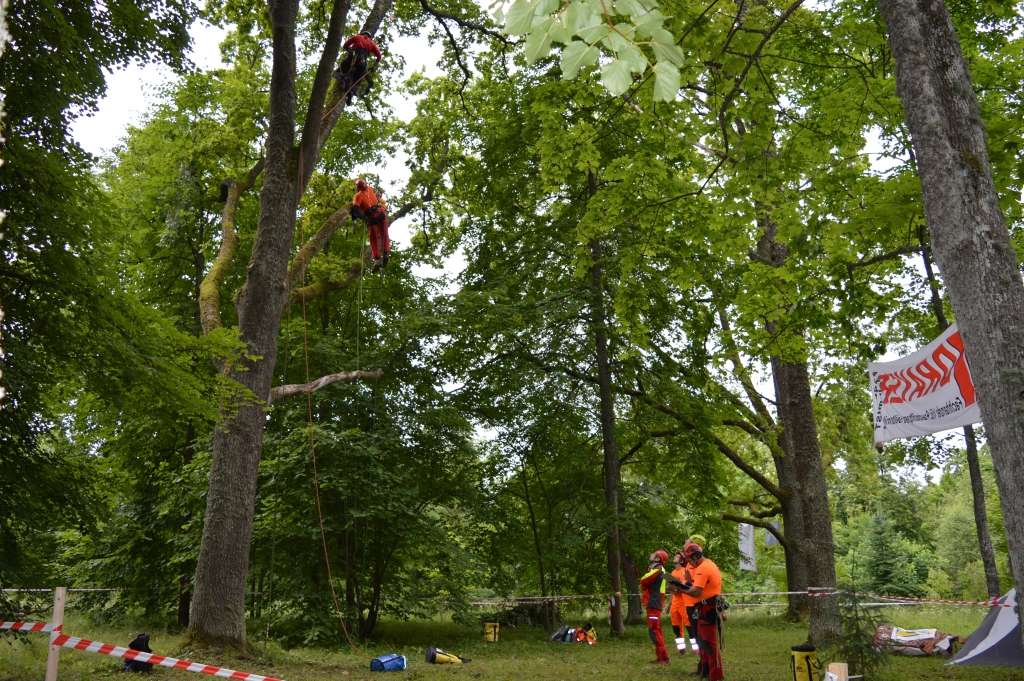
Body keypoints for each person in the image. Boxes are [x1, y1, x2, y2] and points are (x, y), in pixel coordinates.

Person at [674, 542, 723, 681]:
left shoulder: (703, 568)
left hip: (709, 608)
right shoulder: (705, 565)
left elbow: (696, 592)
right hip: (703, 608)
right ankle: (706, 671)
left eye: (689, 560)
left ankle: (716, 675)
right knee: (702, 642)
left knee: (709, 643)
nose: (688, 563)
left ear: (695, 557)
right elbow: (696, 585)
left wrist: (680, 588)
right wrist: (687, 583)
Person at [351, 178, 390, 270]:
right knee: (375, 237)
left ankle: (385, 254)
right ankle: (378, 258)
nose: (364, 186)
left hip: (378, 213)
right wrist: (365, 218)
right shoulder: (358, 196)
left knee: (382, 234)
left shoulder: (370, 189)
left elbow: (374, 198)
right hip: (372, 216)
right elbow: (356, 209)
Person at [640, 549, 671, 665]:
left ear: (658, 558)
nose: (651, 554)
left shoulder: (658, 569)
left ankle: (664, 658)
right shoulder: (658, 569)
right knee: (654, 630)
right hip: (654, 603)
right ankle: (660, 657)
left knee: (655, 630)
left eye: (654, 554)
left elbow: (643, 580)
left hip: (654, 603)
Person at [336, 30, 382, 104]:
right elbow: (379, 56)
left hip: (354, 56)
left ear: (362, 34)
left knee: (343, 66)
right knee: (356, 80)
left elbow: (345, 45)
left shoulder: (357, 36)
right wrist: (374, 66)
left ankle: (342, 78)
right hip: (362, 62)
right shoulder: (372, 43)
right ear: (370, 37)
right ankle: (351, 91)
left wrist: (349, 50)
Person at [668, 550, 698, 656]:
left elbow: (686, 586)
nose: (675, 558)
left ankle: (696, 649)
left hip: (684, 603)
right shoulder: (672, 572)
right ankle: (681, 649)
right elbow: (671, 589)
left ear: (681, 560)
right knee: (676, 627)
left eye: (677, 557)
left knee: (689, 627)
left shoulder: (685, 571)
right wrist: (669, 604)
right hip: (675, 604)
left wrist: (678, 588)